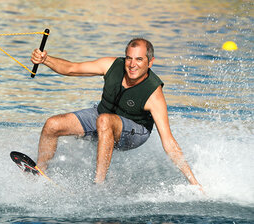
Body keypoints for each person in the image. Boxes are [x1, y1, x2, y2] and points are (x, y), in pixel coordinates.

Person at [30, 38, 203, 192]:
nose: (132, 64)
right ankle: (40, 173)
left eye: (139, 59)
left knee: (105, 121)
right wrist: (46, 59)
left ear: (150, 62)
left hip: (134, 132)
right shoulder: (111, 65)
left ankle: (98, 185)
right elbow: (72, 68)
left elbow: (169, 141)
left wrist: (193, 181)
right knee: (53, 124)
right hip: (102, 116)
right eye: (129, 58)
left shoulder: (154, 94)